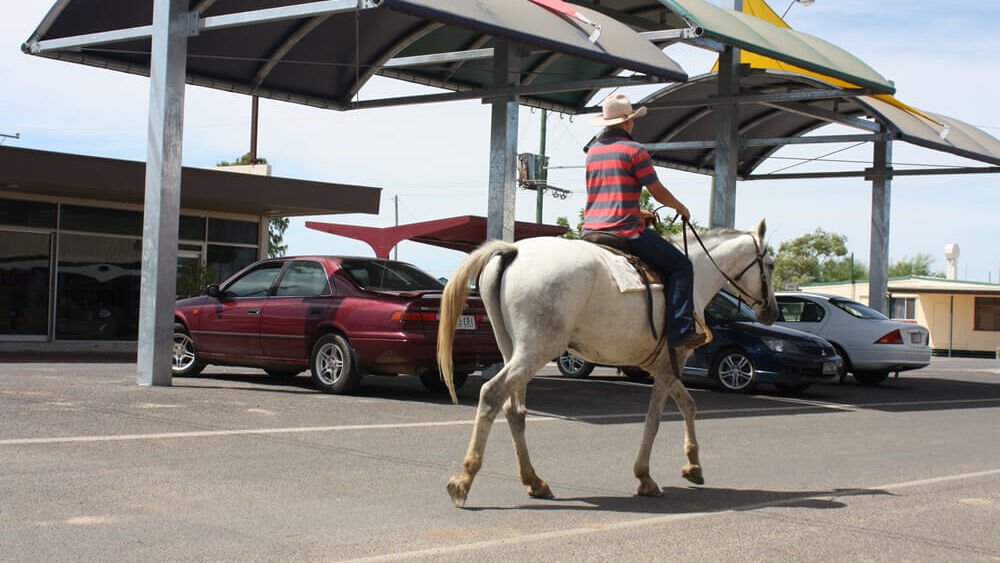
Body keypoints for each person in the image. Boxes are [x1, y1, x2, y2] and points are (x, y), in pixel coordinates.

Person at [583, 93, 705, 349]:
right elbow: (657, 191)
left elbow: (609, 192)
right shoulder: (635, 150)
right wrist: (681, 208)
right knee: (681, 266)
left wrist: (639, 212)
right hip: (624, 231)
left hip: (591, 229)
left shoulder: (593, 152)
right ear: (628, 122)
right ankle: (680, 332)